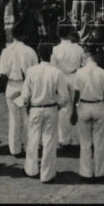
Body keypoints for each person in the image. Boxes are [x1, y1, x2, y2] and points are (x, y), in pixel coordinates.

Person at [23, 42, 70, 183]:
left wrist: (26, 104)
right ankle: (47, 174)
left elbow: (25, 94)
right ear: (50, 55)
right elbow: (65, 97)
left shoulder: (31, 71)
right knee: (49, 140)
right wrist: (59, 106)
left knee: (33, 138)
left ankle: (31, 170)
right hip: (51, 108)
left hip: (35, 108)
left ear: (38, 54)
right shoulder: (57, 72)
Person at [70, 41, 104, 180]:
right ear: (97, 55)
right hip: (99, 106)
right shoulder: (103, 73)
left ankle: (86, 172)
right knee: (99, 141)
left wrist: (73, 112)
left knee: (85, 142)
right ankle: (100, 172)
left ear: (87, 55)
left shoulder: (79, 72)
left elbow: (76, 94)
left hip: (84, 106)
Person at [0, 24, 38, 157]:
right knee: (27, 119)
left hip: (12, 85)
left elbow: (2, 73)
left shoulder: (6, 51)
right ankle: (29, 147)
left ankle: (15, 149)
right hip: (26, 86)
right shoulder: (30, 51)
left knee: (14, 119)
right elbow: (35, 71)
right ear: (24, 35)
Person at [51, 25, 85, 147]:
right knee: (77, 106)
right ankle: (77, 140)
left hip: (62, 78)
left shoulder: (55, 50)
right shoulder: (78, 48)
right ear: (70, 34)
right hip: (75, 76)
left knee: (64, 109)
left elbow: (53, 68)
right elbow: (83, 64)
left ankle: (65, 139)